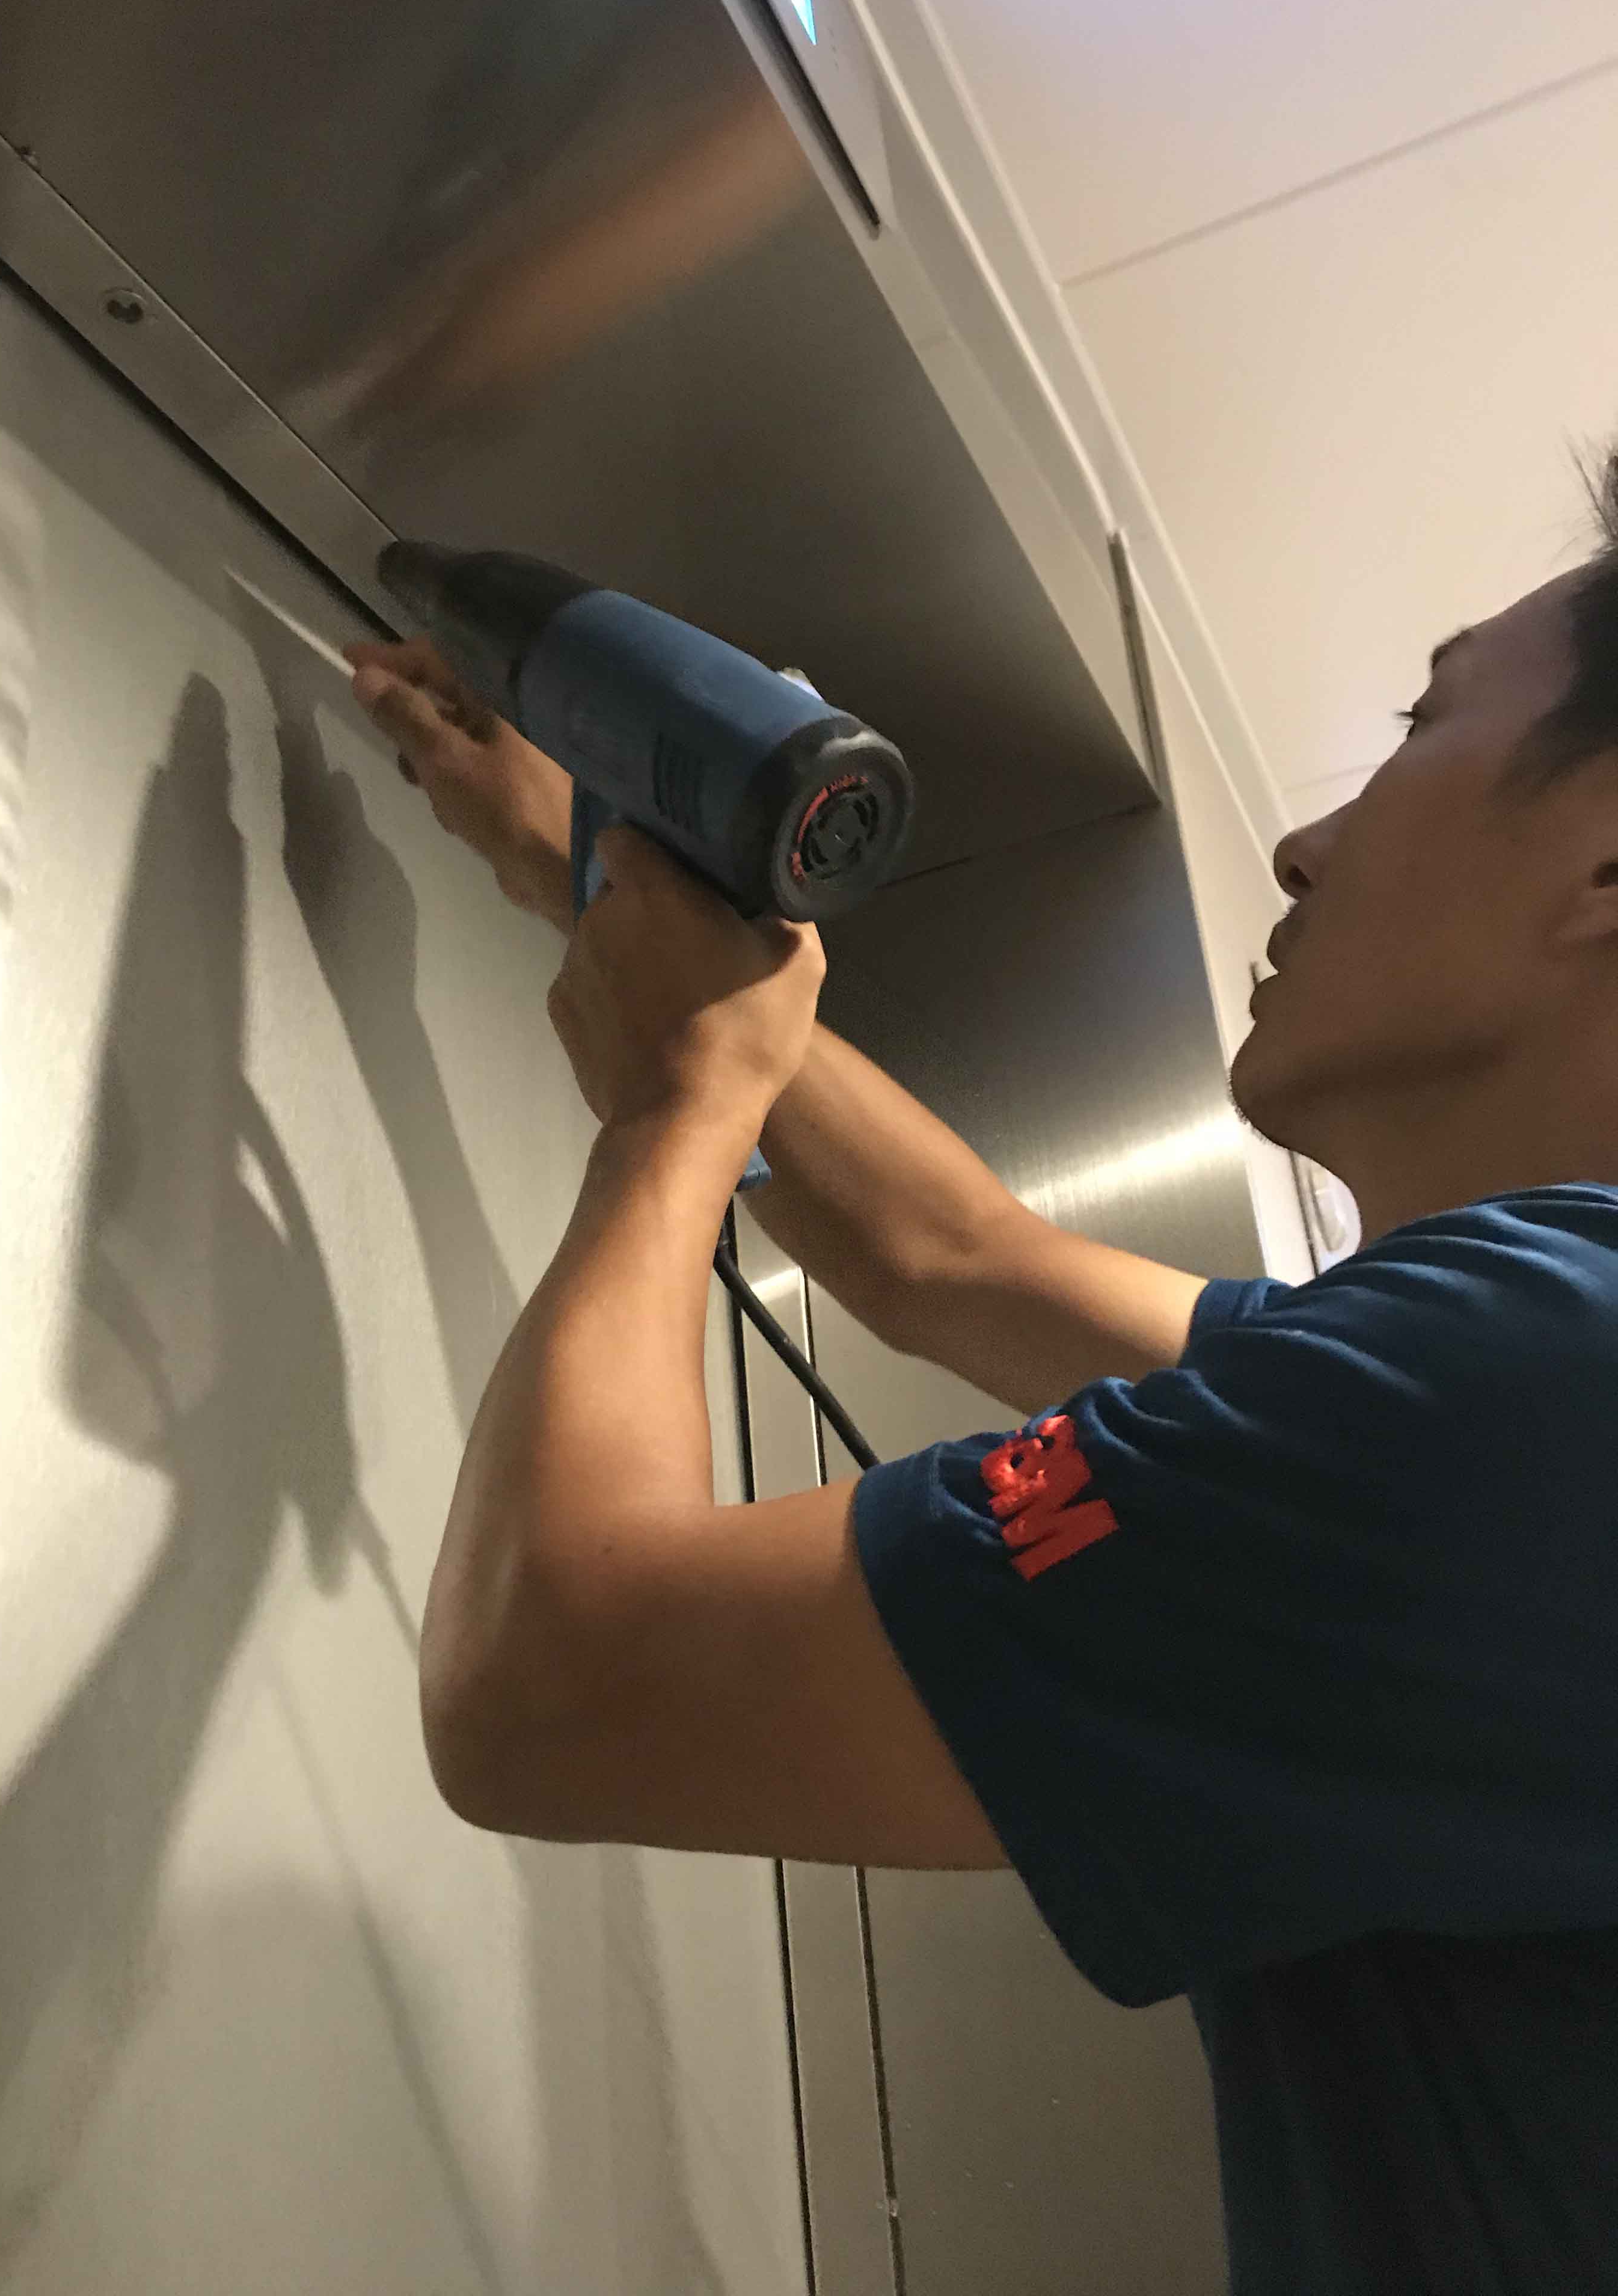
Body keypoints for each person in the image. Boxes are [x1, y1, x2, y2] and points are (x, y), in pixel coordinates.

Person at [344, 460, 1618, 2295]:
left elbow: (556, 1676)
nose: (1305, 843)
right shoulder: (1509, 1365)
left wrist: (673, 1117)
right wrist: (582, 863)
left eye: (1423, 726)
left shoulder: (1541, 1394)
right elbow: (950, 1256)